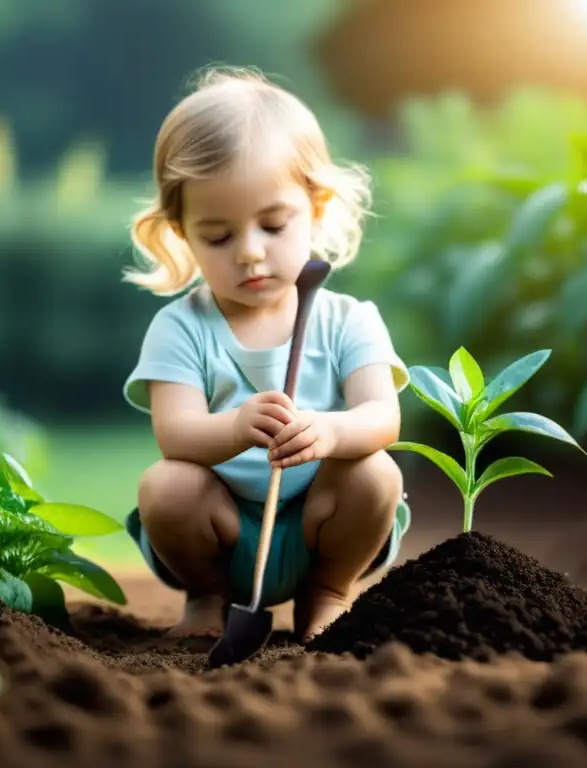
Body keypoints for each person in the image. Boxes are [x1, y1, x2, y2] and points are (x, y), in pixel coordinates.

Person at [120, 66, 411, 643]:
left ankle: (327, 597)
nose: (251, 253)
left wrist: (327, 432)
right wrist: (236, 426)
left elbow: (383, 417)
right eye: (219, 236)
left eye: (273, 225)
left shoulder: (347, 320)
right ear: (181, 233)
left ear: (317, 208)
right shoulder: (181, 327)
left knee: (376, 475)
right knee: (165, 486)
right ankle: (207, 598)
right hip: (220, 531)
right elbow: (175, 435)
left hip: (319, 525)